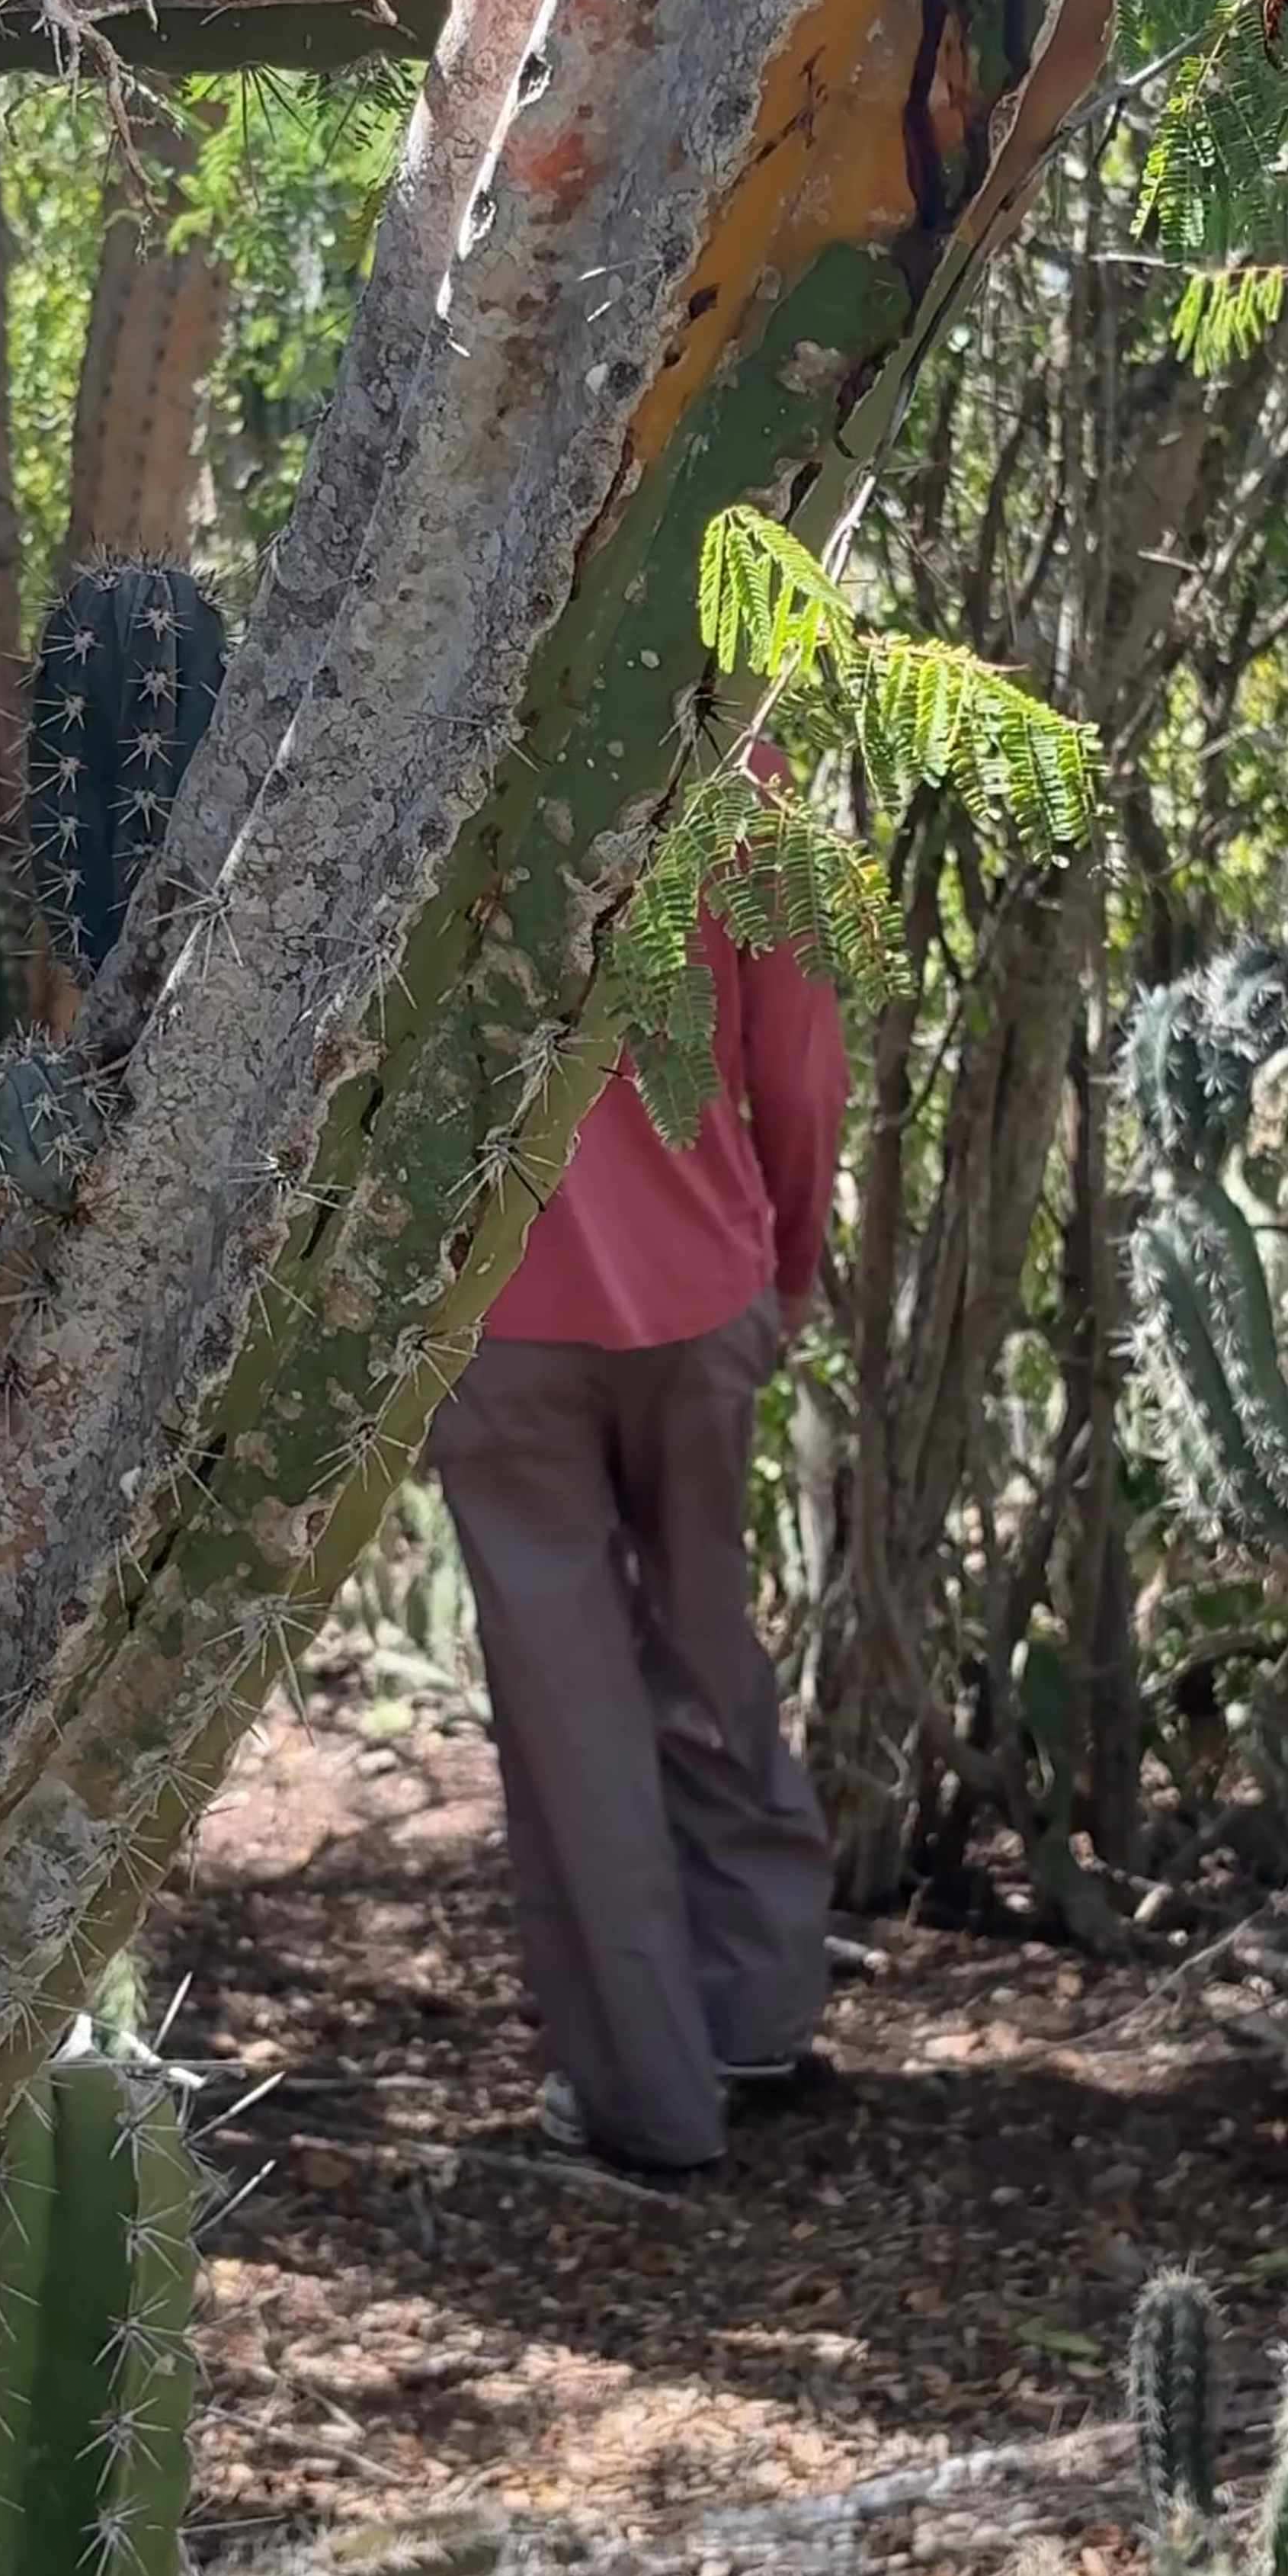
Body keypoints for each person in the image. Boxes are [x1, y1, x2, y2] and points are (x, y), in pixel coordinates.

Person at [428, 849, 845, 2183]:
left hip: (491, 1305)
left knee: (573, 1716)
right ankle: (757, 2010)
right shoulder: (740, 753)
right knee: (706, 1638)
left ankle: (647, 2100)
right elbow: (797, 1066)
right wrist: (790, 1262)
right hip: (704, 1279)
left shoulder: (429, 748)